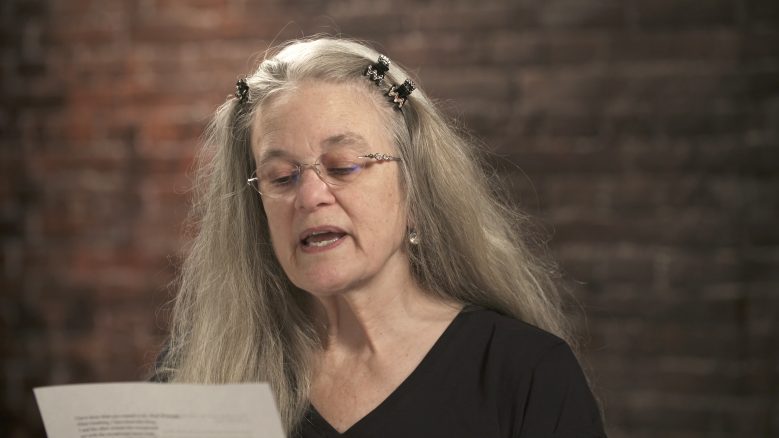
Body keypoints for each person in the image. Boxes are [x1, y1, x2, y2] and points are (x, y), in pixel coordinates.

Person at [153, 37, 607, 437]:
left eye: (343, 166)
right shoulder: (200, 370)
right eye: (281, 177)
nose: (310, 196)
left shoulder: (524, 372)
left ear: (416, 191)